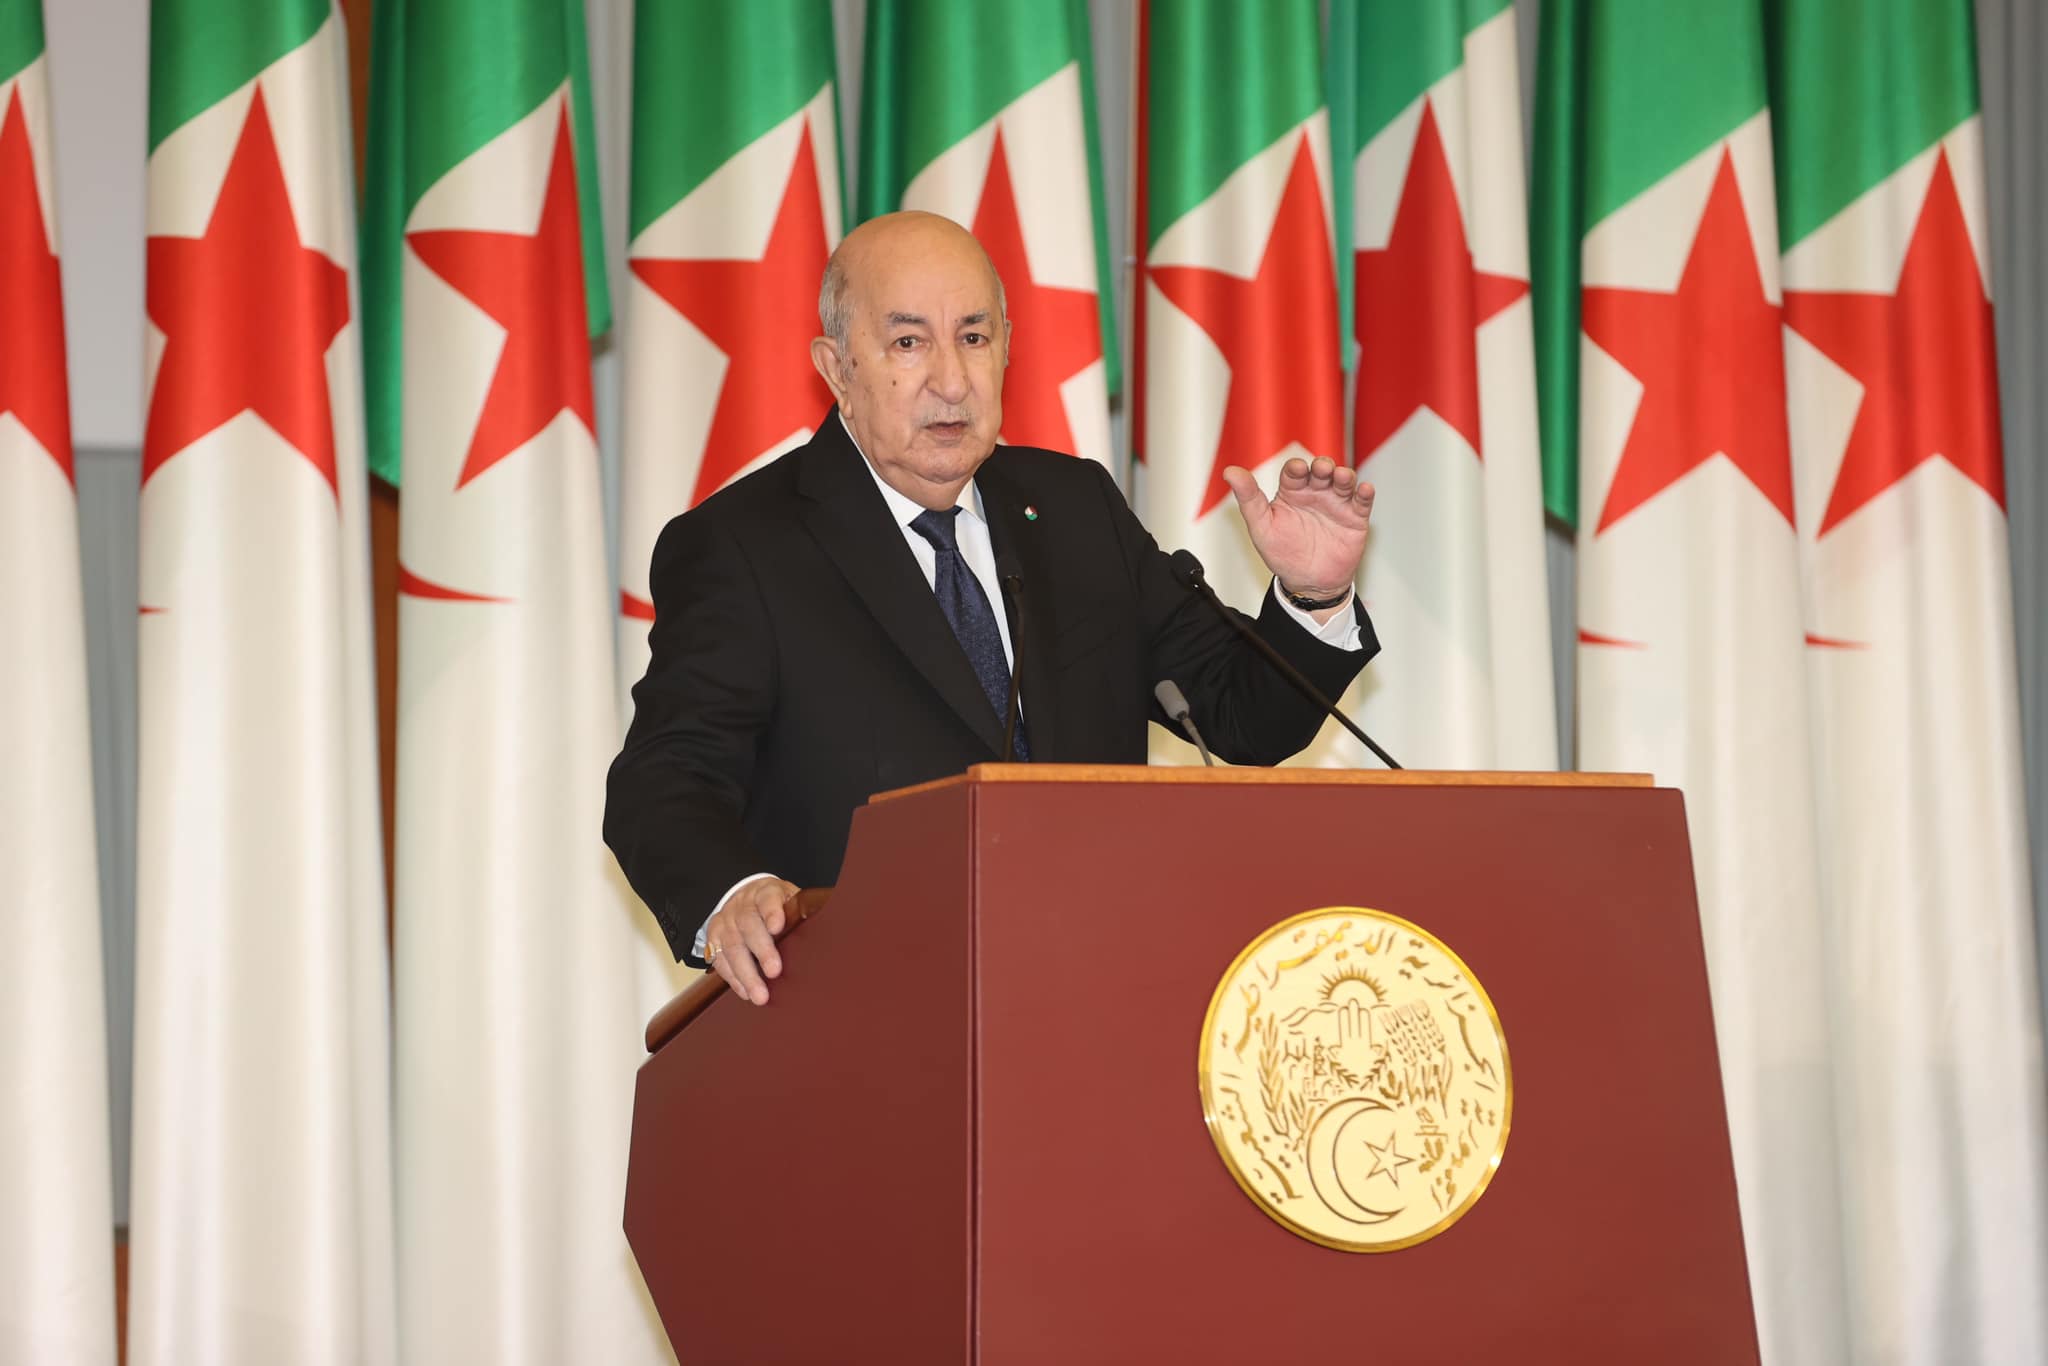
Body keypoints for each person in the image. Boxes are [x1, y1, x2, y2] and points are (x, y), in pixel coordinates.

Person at [604, 212, 1379, 1006]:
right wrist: (734, 895)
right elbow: (666, 779)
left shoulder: (1075, 510)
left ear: (1007, 346)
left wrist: (1312, 595)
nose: (951, 380)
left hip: (1100, 998)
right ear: (837, 368)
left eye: (974, 338)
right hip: (869, 1015)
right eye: (909, 342)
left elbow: (1242, 719)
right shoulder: (746, 546)